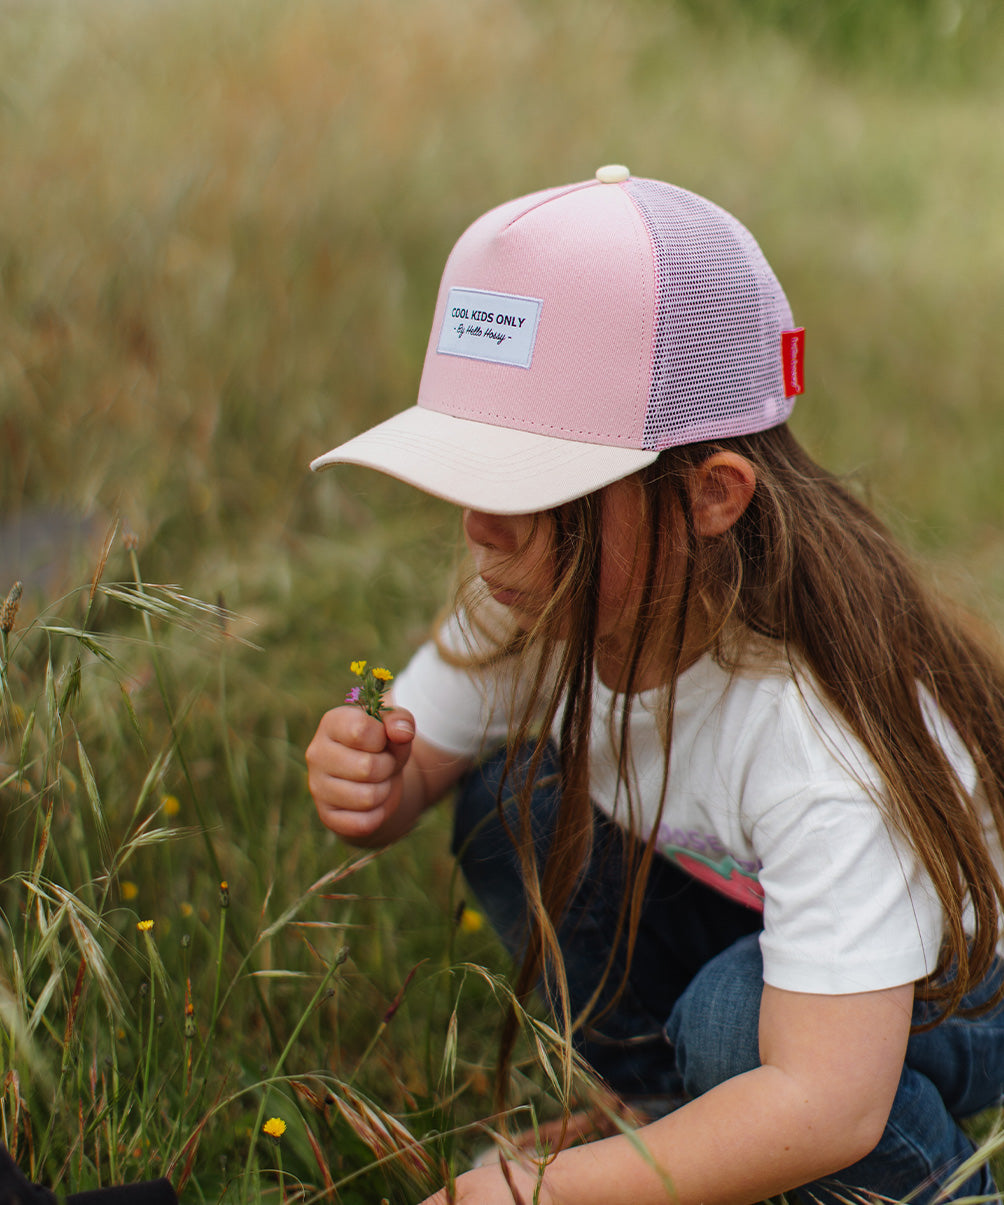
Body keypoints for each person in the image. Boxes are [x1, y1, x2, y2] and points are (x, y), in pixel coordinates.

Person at [305, 166, 1004, 1205]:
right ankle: (669, 1112)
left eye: (523, 487)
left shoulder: (816, 735)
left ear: (709, 496)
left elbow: (827, 1100)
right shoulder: (531, 602)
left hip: (959, 970)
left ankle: (926, 1186)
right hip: (768, 914)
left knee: (740, 1023)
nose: (476, 527)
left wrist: (539, 1190)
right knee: (510, 803)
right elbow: (412, 785)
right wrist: (367, 781)